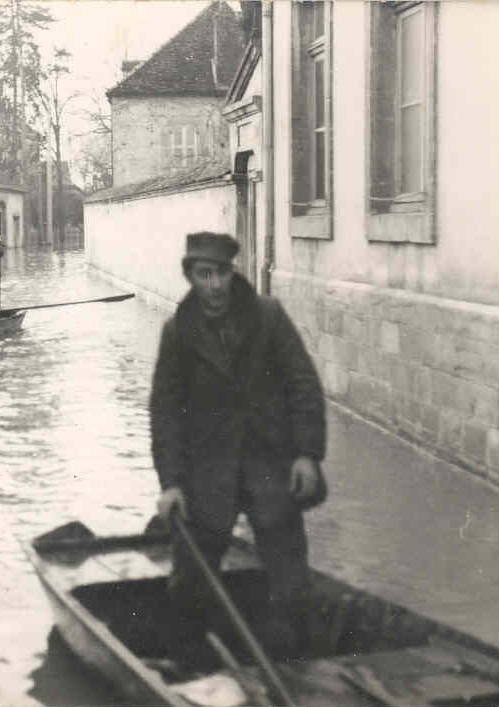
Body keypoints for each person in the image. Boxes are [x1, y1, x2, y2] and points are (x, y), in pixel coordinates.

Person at [149, 231, 327, 671]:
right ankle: (191, 671)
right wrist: (171, 483)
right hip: (208, 474)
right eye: (203, 274)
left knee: (291, 583)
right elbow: (166, 413)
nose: (213, 285)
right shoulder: (178, 332)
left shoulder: (268, 317)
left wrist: (308, 454)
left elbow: (303, 384)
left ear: (233, 273)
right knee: (191, 583)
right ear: (190, 276)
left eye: (221, 273)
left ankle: (300, 672)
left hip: (271, 468)